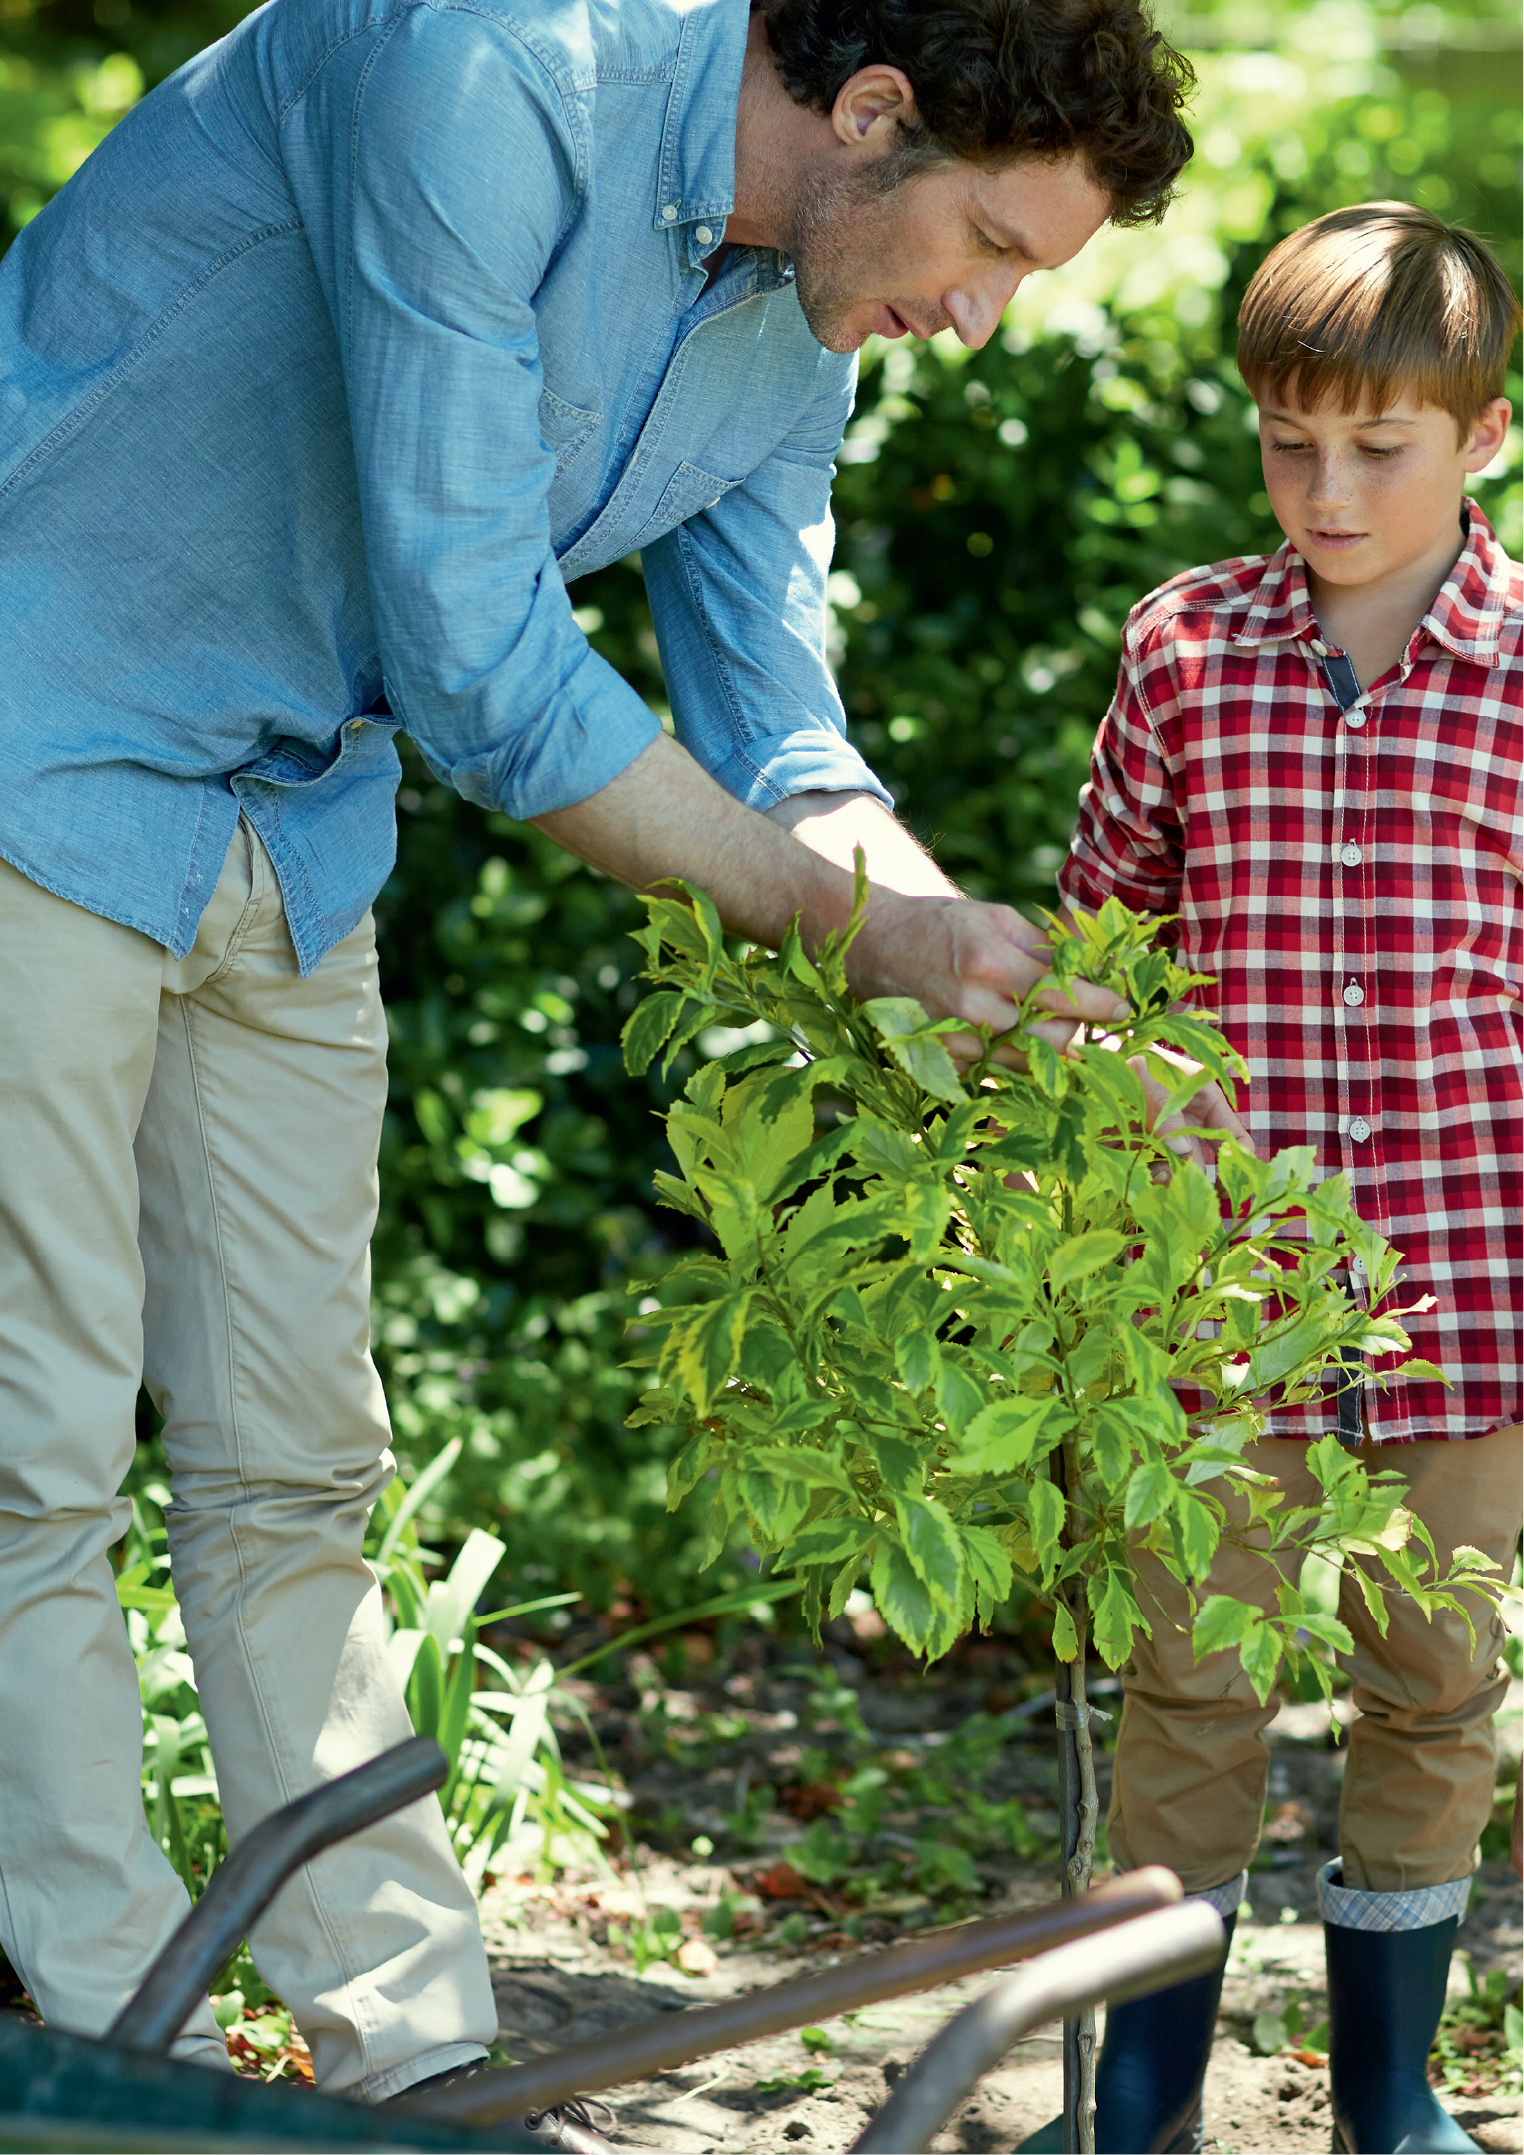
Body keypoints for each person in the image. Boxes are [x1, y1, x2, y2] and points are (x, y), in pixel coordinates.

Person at [0, 0, 1194, 2125]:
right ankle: (111, 2064)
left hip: (291, 821)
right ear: (873, 112)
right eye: (995, 248)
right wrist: (856, 930)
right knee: (33, 1464)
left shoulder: (800, 313)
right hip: (43, 739)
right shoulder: (489, 72)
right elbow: (483, 667)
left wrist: (975, 981)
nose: (981, 319)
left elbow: (781, 728)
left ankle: (418, 2066)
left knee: (297, 1464)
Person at [1034, 200, 1524, 2155]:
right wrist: (1128, 1089)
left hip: (1468, 1284)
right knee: (1190, 1684)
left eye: (1380, 449)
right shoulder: (1187, 651)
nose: (1327, 492)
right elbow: (1100, 952)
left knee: (1435, 1682)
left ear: (1485, 434)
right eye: (1286, 442)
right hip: (1213, 1292)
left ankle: (1388, 2096)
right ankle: (1144, 2094)